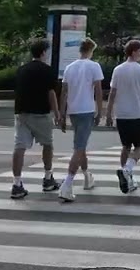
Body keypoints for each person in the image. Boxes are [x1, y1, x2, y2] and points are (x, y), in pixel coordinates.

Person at [10, 38, 63, 199]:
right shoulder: (47, 70)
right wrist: (57, 112)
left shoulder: (21, 70)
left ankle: (17, 183)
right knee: (47, 144)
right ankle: (48, 178)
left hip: (21, 113)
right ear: (43, 52)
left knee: (19, 147)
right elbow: (51, 93)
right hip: (41, 113)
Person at [104, 39, 140, 194]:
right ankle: (127, 170)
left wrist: (108, 114)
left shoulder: (117, 70)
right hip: (136, 114)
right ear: (133, 52)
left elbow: (112, 93)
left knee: (126, 146)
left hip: (121, 115)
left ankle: (126, 175)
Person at [57, 37, 104, 202]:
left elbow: (64, 93)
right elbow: (98, 91)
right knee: (79, 147)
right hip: (86, 110)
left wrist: (61, 114)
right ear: (91, 50)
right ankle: (67, 184)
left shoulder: (69, 67)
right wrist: (100, 111)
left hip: (73, 111)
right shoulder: (94, 66)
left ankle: (87, 176)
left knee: (81, 145)